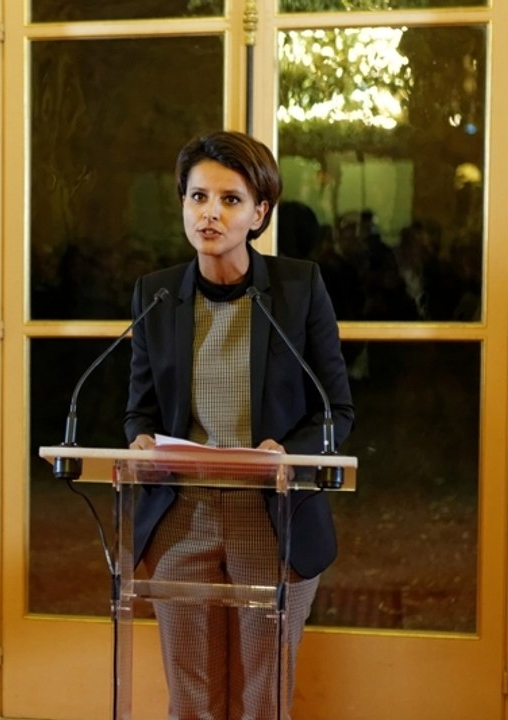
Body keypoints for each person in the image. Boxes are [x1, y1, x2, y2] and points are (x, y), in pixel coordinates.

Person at [124, 131, 354, 719]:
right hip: (181, 517)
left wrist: (288, 450)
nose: (211, 213)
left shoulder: (298, 288)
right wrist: (140, 440)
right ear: (182, 204)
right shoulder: (155, 296)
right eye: (198, 197)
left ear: (259, 213)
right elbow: (140, 409)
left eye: (230, 200)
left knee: (262, 698)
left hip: (271, 516)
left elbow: (337, 411)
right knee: (192, 697)